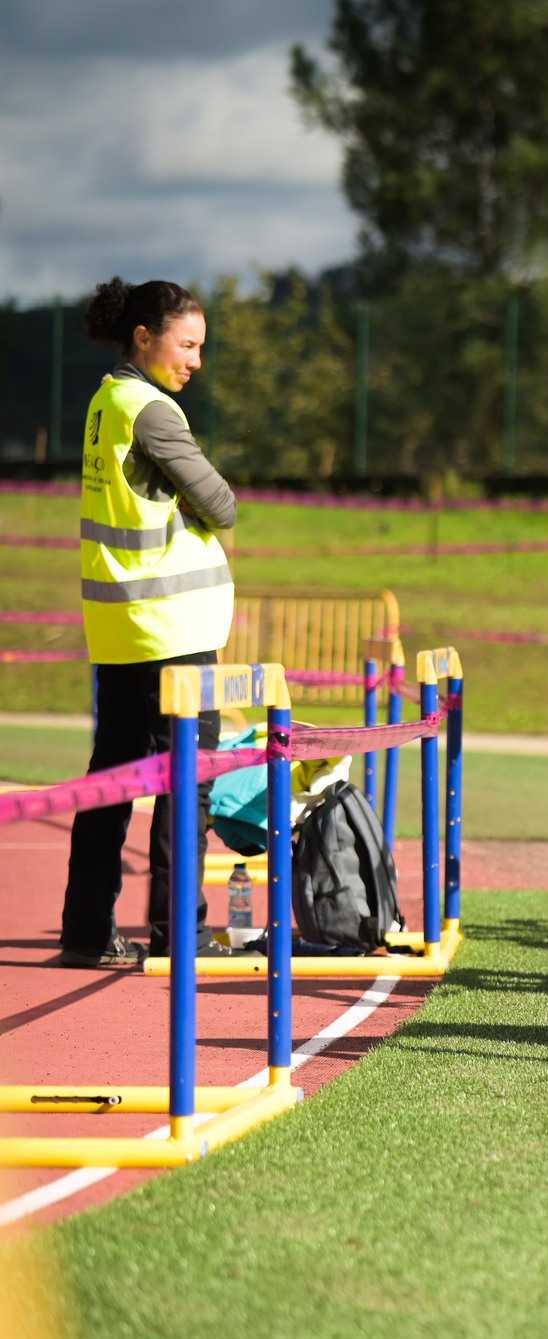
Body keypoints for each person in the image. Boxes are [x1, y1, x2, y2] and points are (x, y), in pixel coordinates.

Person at [58, 277, 237, 967]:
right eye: (186, 344)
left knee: (110, 778)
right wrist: (198, 511)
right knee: (186, 781)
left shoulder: (107, 402)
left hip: (121, 627)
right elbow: (220, 505)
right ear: (144, 337)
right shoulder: (156, 413)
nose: (195, 360)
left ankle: (84, 930)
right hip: (174, 631)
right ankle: (180, 933)